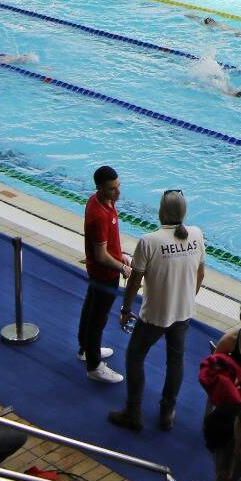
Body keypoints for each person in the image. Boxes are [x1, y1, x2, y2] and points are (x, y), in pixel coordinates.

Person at [109, 190, 206, 433]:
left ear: (161, 212)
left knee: (134, 357)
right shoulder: (196, 235)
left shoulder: (149, 241)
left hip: (154, 315)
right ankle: (167, 413)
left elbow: (135, 281)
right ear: (183, 213)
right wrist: (185, 299)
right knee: (175, 360)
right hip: (183, 313)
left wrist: (125, 308)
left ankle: (133, 412)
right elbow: (200, 274)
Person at [79, 164, 129, 384]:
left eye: (118, 187)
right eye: (112, 189)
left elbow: (109, 245)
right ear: (100, 188)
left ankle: (85, 349)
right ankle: (94, 366)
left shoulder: (101, 200)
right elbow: (100, 255)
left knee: (90, 309)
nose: (117, 192)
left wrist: (121, 255)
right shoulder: (99, 215)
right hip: (104, 273)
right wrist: (121, 267)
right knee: (97, 319)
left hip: (100, 270)